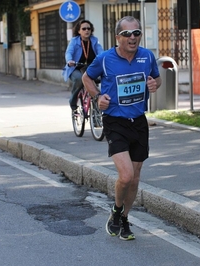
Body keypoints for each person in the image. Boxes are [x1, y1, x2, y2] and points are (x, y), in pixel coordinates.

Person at [82, 16, 162, 241]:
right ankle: (116, 209)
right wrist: (98, 96)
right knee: (126, 175)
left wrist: (155, 84)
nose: (133, 38)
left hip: (138, 121)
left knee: (135, 178)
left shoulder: (146, 56)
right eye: (127, 34)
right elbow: (87, 77)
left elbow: (156, 79)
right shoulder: (106, 59)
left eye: (136, 33)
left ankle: (124, 218)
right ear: (118, 37)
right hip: (115, 122)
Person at [62, 20, 103, 111]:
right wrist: (69, 60)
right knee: (79, 79)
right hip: (75, 68)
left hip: (90, 68)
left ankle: (97, 109)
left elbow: (101, 52)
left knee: (104, 78)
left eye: (88, 28)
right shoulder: (74, 41)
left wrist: (105, 59)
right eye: (84, 29)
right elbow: (69, 52)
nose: (86, 30)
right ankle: (73, 102)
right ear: (79, 31)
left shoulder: (94, 40)